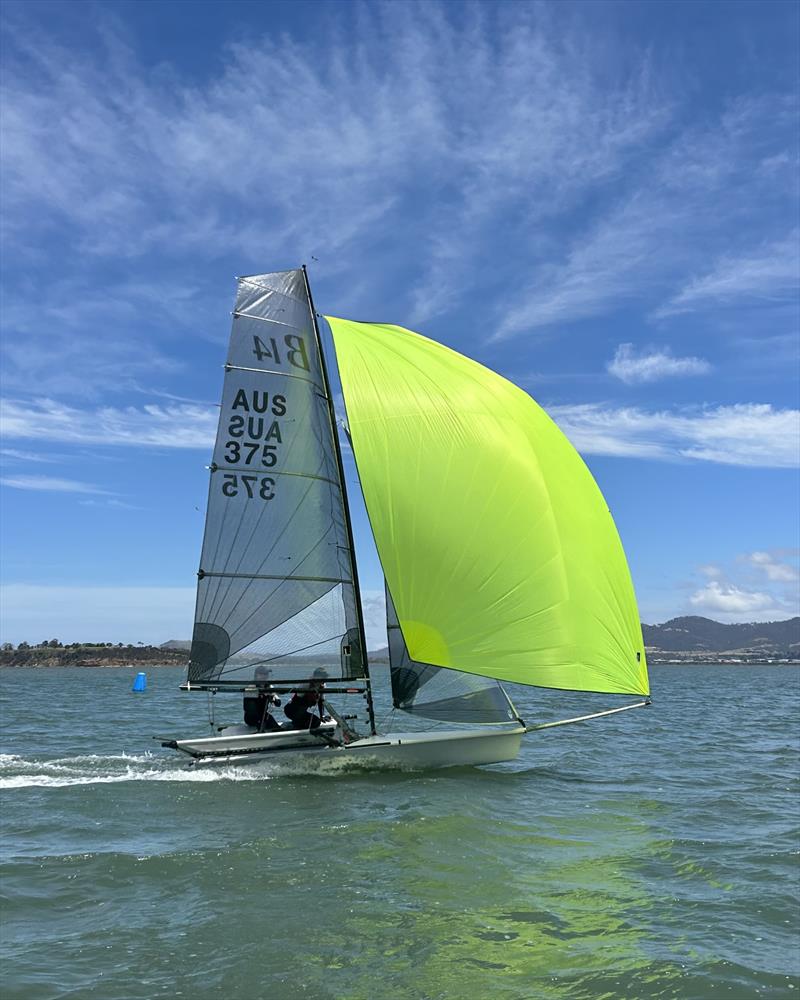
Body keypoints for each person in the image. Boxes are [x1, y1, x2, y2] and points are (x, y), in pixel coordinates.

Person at [243, 667, 281, 732]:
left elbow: (278, 703)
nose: (264, 676)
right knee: (258, 720)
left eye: (266, 674)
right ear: (256, 675)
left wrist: (272, 697)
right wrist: (261, 694)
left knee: (277, 729)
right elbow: (248, 708)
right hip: (251, 717)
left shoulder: (269, 686)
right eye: (262, 674)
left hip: (264, 715)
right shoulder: (251, 687)